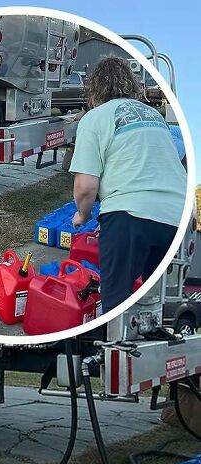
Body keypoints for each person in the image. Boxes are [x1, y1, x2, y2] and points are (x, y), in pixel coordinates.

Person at [70, 56, 188, 313]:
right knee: (159, 305)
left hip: (129, 215)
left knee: (116, 305)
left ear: (95, 88)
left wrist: (82, 215)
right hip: (178, 217)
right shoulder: (153, 115)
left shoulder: (94, 118)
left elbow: (86, 186)